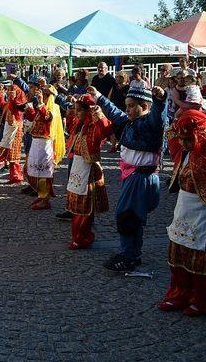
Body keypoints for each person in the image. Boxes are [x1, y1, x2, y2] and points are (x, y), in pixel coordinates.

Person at [88, 85, 167, 271]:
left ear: (145, 106)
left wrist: (159, 100)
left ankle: (128, 255)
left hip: (140, 178)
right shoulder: (129, 121)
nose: (127, 109)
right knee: (133, 217)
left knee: (126, 216)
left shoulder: (150, 123)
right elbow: (114, 112)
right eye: (127, 105)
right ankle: (132, 254)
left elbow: (159, 114)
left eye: (131, 106)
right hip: (133, 176)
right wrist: (99, 96)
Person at [158, 110, 206, 317]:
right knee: (178, 251)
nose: (184, 144)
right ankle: (179, 293)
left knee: (198, 255)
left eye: (189, 139)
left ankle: (200, 299)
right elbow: (171, 137)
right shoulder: (185, 151)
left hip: (202, 211)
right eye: (183, 139)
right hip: (183, 207)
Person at [65, 95, 112, 249]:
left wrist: (96, 110)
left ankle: (81, 237)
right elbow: (69, 127)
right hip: (77, 168)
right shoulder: (80, 126)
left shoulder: (94, 127)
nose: (76, 113)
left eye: (80, 110)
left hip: (89, 170)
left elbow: (106, 129)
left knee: (85, 206)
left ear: (88, 111)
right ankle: (80, 236)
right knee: (78, 205)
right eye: (76, 110)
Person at [23, 85, 65, 210]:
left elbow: (47, 118)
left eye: (45, 95)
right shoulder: (43, 107)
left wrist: (40, 104)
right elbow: (36, 119)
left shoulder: (54, 108)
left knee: (45, 173)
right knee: (34, 171)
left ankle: (45, 199)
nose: (42, 97)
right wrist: (30, 111)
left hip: (45, 144)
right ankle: (41, 195)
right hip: (36, 142)